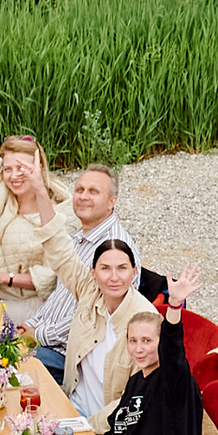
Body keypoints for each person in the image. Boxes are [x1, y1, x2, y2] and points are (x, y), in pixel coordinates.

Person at [0, 71, 83, 323]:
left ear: (39, 166)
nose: (13, 176)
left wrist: (3, 277)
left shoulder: (62, 212)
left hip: (34, 305)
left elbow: (52, 276)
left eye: (22, 168)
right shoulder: (4, 192)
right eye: (8, 168)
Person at [97, 287, 209, 435]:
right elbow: (117, 432)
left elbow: (173, 352)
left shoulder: (175, 382)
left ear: (161, 342)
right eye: (133, 341)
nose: (138, 349)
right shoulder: (136, 380)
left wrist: (174, 307)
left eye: (147, 341)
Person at [31, 160, 135, 381]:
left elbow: (96, 318)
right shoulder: (81, 237)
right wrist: (30, 326)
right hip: (48, 339)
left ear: (112, 201)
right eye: (79, 190)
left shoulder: (114, 253)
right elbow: (58, 298)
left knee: (2, 365)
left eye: (93, 192)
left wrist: (37, 334)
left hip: (71, 357)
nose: (83, 196)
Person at [62, 237, 157, 427]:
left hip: (105, 428)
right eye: (105, 269)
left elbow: (138, 397)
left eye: (122, 268)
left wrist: (87, 425)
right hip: (71, 404)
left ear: (134, 272)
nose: (114, 277)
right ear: (93, 273)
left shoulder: (146, 320)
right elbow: (59, 254)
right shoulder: (90, 291)